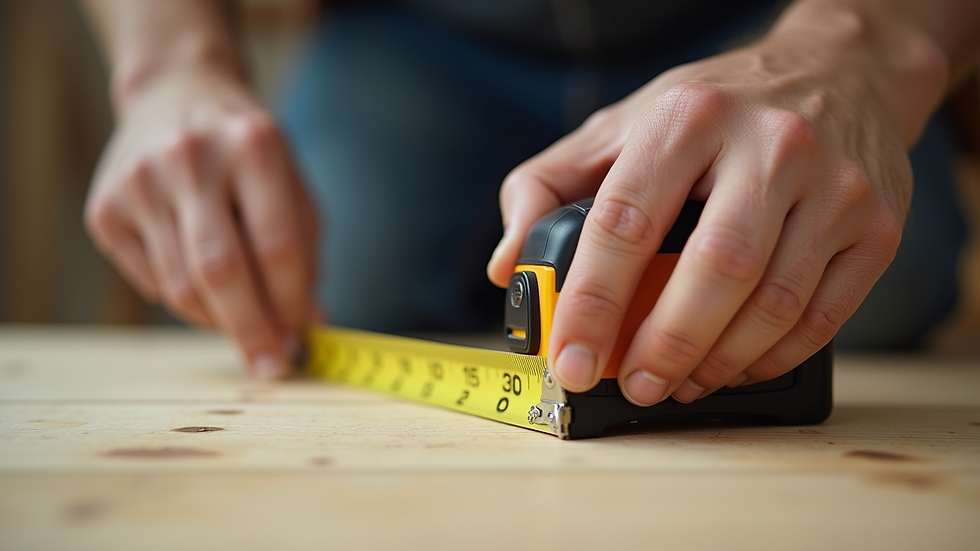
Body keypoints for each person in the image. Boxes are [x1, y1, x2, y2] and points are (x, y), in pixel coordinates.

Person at [81, 0, 978, 407]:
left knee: (870, 280)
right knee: (331, 264)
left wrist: (867, 44)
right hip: (419, 32)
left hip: (775, 26)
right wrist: (168, 68)